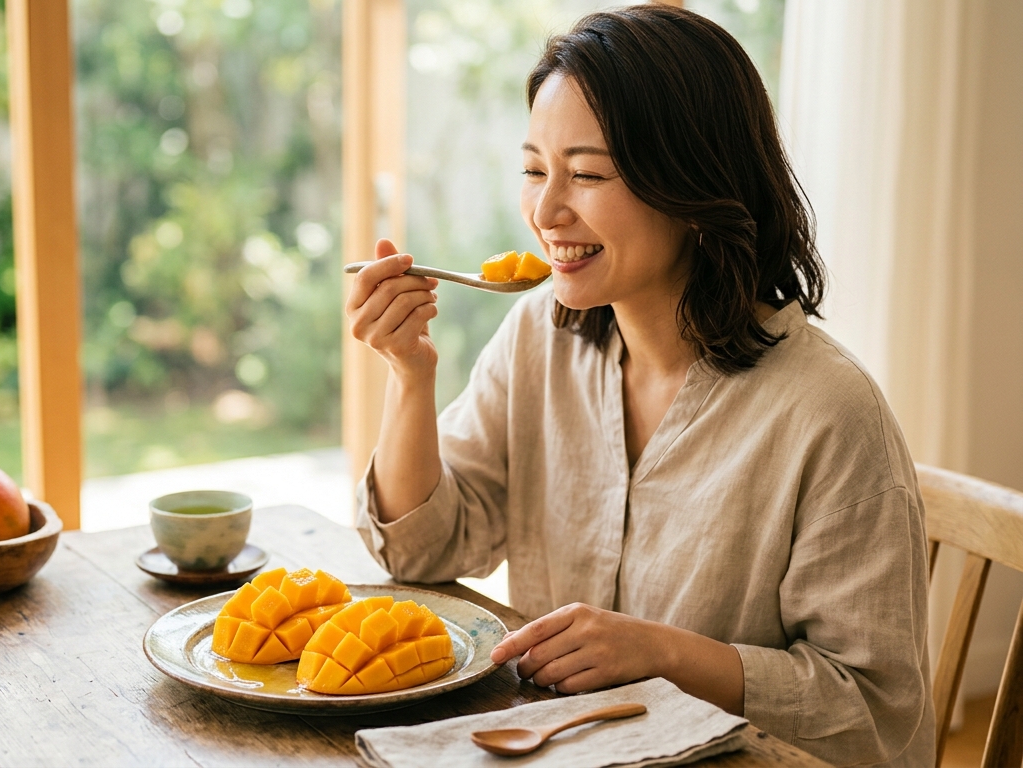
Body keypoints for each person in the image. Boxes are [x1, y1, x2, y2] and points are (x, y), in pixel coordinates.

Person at [345, 6, 932, 766]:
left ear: (692, 185)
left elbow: (875, 714)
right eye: (534, 169)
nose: (546, 211)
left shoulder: (828, 411)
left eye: (587, 174)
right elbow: (420, 553)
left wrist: (666, 654)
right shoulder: (538, 335)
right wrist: (409, 377)